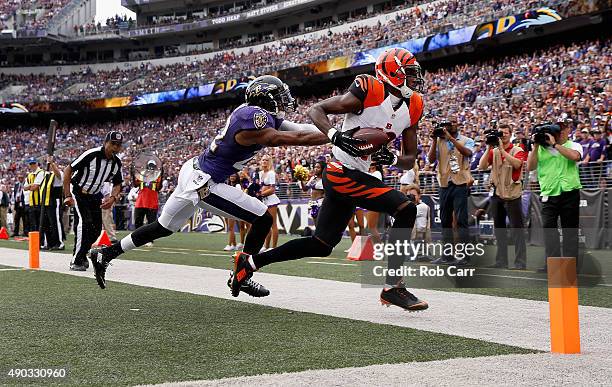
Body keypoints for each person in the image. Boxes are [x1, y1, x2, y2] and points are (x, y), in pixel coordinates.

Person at [88, 75, 329, 296]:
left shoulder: (260, 116)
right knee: (263, 218)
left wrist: (336, 130)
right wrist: (338, 136)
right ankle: (242, 275)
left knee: (163, 227)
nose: (283, 102)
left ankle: (106, 253)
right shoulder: (254, 118)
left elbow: (301, 129)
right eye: (278, 97)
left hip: (193, 171)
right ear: (263, 100)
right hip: (204, 182)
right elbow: (296, 138)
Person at [231, 48, 428, 311]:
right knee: (405, 208)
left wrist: (389, 159)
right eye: (410, 74)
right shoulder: (369, 88)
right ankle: (393, 286)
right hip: (340, 171)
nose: (415, 80)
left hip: (356, 174)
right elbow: (317, 110)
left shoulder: (414, 105)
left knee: (321, 244)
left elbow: (409, 157)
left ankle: (250, 264)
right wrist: (335, 134)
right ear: (391, 72)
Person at [526, 121, 582, 273]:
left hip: (569, 192)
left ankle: (571, 266)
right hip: (549, 194)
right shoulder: (539, 148)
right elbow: (530, 167)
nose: (560, 133)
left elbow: (575, 157)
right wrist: (536, 146)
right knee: (549, 229)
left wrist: (555, 145)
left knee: (570, 231)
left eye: (562, 130)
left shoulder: (574, 145)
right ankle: (553, 264)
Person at [63, 131, 124, 271]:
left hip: (95, 194)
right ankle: (76, 260)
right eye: (112, 143)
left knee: (96, 230)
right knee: (84, 223)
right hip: (78, 191)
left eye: (118, 145)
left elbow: (117, 183)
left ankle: (82, 253)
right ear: (105, 142)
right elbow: (68, 169)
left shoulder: (116, 163)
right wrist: (67, 194)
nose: (115, 147)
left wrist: (113, 198)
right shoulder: (91, 154)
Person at [478, 122, 527, 270]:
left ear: (510, 134)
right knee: (499, 229)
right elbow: (482, 166)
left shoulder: (517, 149)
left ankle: (520, 262)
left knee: (516, 230)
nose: (503, 135)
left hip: (513, 193)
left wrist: (501, 149)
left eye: (506, 133)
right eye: (501, 133)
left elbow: (517, 164)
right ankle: (501, 260)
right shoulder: (494, 151)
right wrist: (488, 147)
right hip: (497, 193)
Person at [427, 118, 474, 265]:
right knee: (445, 221)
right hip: (444, 184)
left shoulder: (467, 140)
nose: (449, 125)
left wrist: (451, 139)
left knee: (461, 221)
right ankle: (447, 256)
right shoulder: (439, 141)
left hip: (460, 183)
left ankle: (465, 257)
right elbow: (430, 160)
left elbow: (468, 153)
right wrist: (434, 139)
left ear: (457, 125)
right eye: (447, 124)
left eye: (453, 123)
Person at [133, 159, 164, 246]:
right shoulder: (141, 174)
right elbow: (135, 184)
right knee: (138, 222)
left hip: (152, 203)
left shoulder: (157, 176)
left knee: (151, 224)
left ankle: (149, 240)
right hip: (141, 201)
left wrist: (162, 175)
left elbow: (158, 187)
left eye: (152, 167)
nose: (150, 168)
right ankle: (137, 239)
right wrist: (133, 173)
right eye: (149, 166)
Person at [39, 156, 65, 250]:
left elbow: (58, 175)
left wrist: (52, 164)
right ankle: (49, 243)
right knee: (46, 223)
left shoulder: (59, 173)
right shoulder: (45, 174)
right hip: (45, 201)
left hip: (55, 201)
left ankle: (60, 243)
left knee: (55, 222)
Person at [259, 155, 280, 251]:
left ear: (269, 162)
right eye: (263, 160)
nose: (264, 161)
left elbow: (272, 189)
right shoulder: (260, 173)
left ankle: (273, 247)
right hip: (263, 201)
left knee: (273, 224)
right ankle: (266, 246)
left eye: (267, 160)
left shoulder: (271, 173)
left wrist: (261, 194)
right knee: (265, 224)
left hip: (271, 200)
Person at [224, 173, 246, 251]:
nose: (232, 178)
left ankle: (232, 244)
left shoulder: (237, 186)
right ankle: (233, 244)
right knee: (231, 227)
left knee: (238, 226)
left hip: (235, 208)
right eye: (231, 176)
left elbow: (238, 196)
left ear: (236, 178)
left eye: (234, 176)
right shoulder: (228, 184)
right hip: (230, 207)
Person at [24, 157, 44, 234]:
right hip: (32, 203)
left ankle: (41, 241)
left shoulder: (41, 172)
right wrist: (31, 186)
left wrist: (30, 186)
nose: (32, 165)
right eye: (31, 164)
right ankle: (35, 241)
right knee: (33, 224)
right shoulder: (29, 175)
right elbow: (25, 188)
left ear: (37, 163)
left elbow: (34, 187)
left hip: (39, 202)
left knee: (40, 224)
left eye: (33, 163)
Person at [366, 164, 383, 243]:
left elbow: (372, 181)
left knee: (372, 228)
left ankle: (379, 249)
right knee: (371, 228)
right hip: (370, 201)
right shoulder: (373, 173)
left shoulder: (377, 173)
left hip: (374, 201)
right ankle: (378, 248)